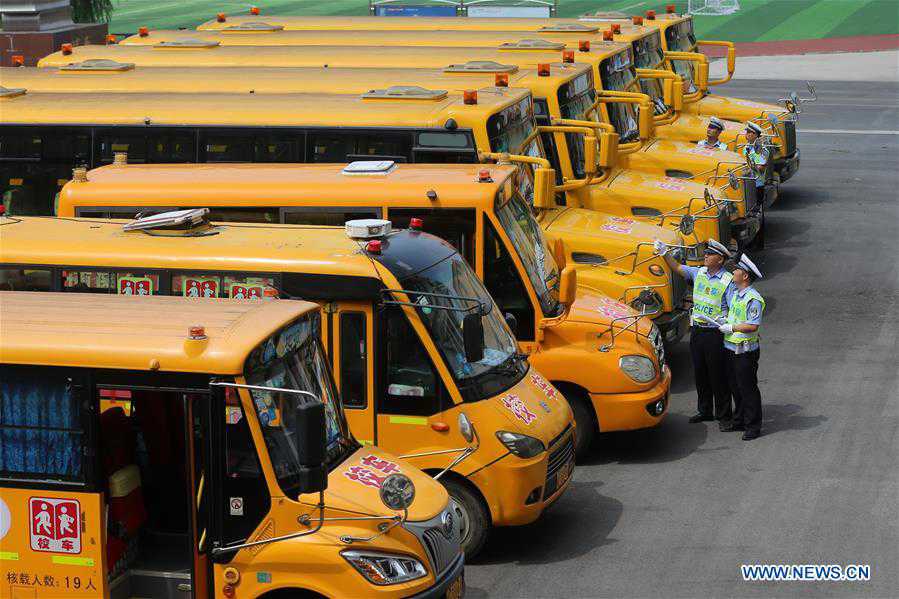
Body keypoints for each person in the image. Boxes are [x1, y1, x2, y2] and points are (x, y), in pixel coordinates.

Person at [655, 237, 735, 428]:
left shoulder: (728, 281)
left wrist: (728, 323)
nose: (706, 256)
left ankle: (724, 416)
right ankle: (705, 410)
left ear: (720, 259)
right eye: (706, 253)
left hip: (716, 333)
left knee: (718, 375)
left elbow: (734, 307)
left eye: (710, 254)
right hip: (698, 330)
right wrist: (664, 253)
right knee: (700, 372)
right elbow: (678, 268)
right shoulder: (699, 273)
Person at [718, 253, 766, 441]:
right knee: (735, 386)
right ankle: (740, 420)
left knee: (748, 388)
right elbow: (734, 315)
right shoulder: (737, 294)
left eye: (736, 270)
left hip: (745, 351)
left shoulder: (753, 298)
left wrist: (732, 327)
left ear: (745, 276)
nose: (733, 272)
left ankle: (753, 426)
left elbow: (753, 325)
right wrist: (724, 321)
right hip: (731, 348)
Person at [742, 121, 769, 209]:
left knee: (756, 209)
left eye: (749, 132)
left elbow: (761, 168)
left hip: (757, 184)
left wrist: (750, 165)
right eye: (747, 132)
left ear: (755, 135)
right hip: (746, 182)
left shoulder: (762, 151)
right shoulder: (745, 148)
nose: (747, 134)